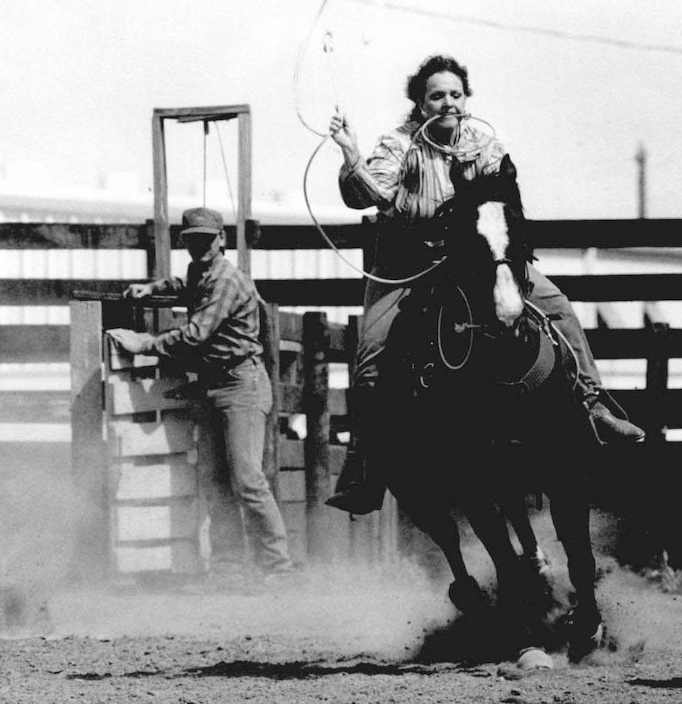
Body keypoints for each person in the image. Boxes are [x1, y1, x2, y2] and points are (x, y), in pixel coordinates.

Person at [325, 54, 644, 515]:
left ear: (466, 99)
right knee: (371, 355)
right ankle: (364, 464)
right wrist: (350, 153)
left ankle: (593, 407)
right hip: (405, 265)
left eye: (456, 94)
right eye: (437, 95)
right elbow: (367, 195)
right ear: (420, 102)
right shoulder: (398, 145)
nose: (448, 103)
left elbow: (505, 203)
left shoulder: (484, 145)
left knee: (559, 307)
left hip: (474, 257)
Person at [107, 207, 296, 589]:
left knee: (247, 480)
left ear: (221, 239)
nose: (199, 247)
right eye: (192, 241)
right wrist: (154, 288)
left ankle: (278, 569)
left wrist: (146, 344)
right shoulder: (203, 272)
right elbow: (187, 285)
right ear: (185, 242)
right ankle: (228, 569)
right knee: (214, 481)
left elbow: (196, 334)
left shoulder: (225, 279)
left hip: (240, 384)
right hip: (216, 384)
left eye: (206, 240)